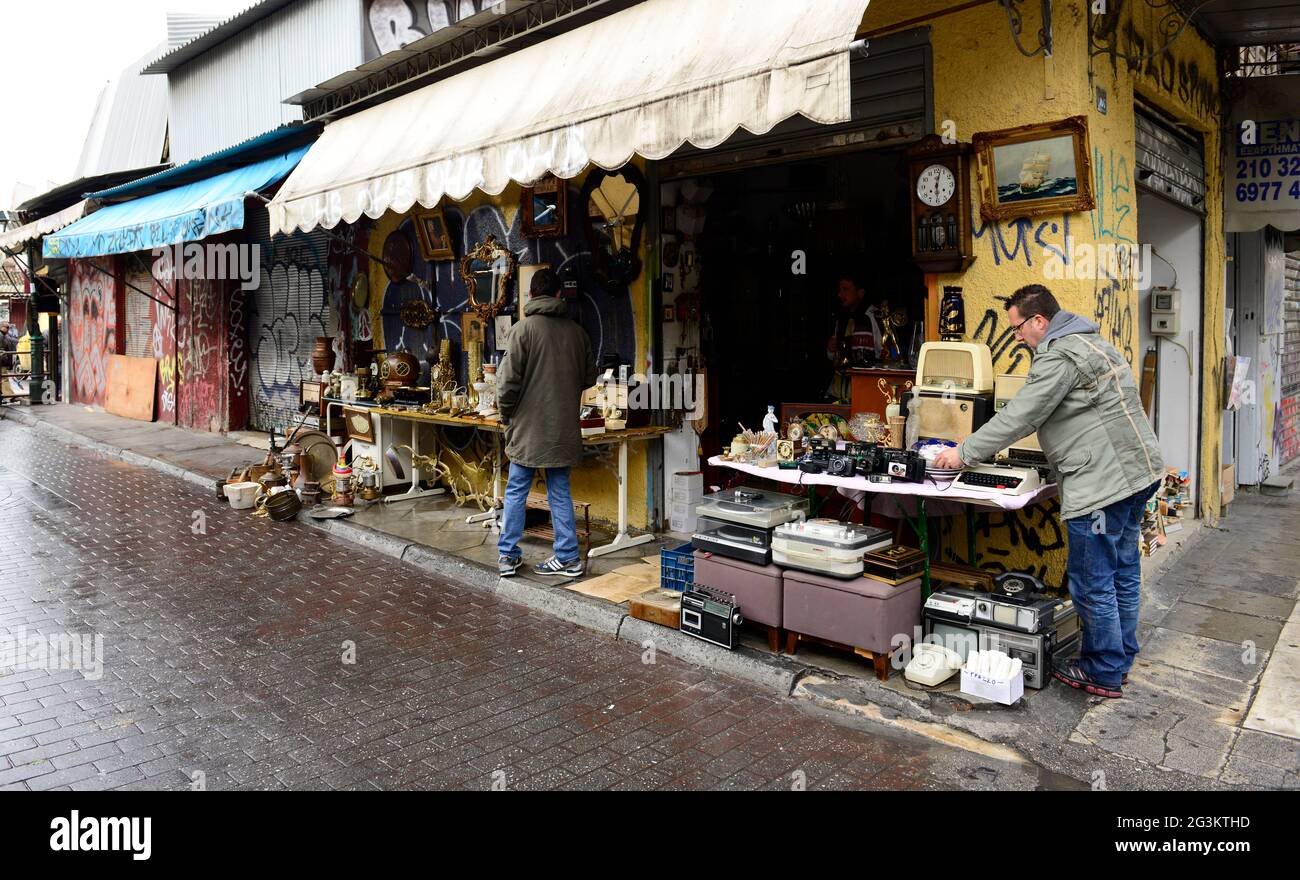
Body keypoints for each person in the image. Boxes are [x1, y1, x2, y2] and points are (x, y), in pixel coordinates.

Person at [932, 285, 1163, 699]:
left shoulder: (1059, 355)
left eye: (1018, 327)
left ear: (1039, 321)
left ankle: (1104, 670)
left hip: (1103, 486)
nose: (1017, 337)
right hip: (1138, 473)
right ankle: (1120, 658)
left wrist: (963, 453)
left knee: (1092, 580)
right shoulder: (1096, 346)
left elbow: (1022, 414)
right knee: (1123, 571)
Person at [496, 267, 598, 579]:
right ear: (558, 295)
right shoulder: (577, 332)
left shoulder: (522, 330)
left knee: (516, 490)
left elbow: (506, 383)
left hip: (527, 428)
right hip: (562, 427)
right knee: (559, 490)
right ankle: (568, 557)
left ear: (530, 295)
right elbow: (588, 378)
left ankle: (508, 556)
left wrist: (506, 414)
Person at [825, 272, 882, 400]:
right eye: (839, 290)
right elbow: (834, 358)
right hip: (837, 394)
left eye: (845, 289)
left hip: (864, 393)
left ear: (860, 293)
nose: (840, 295)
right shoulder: (841, 318)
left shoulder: (874, 316)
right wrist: (830, 349)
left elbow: (882, 354)